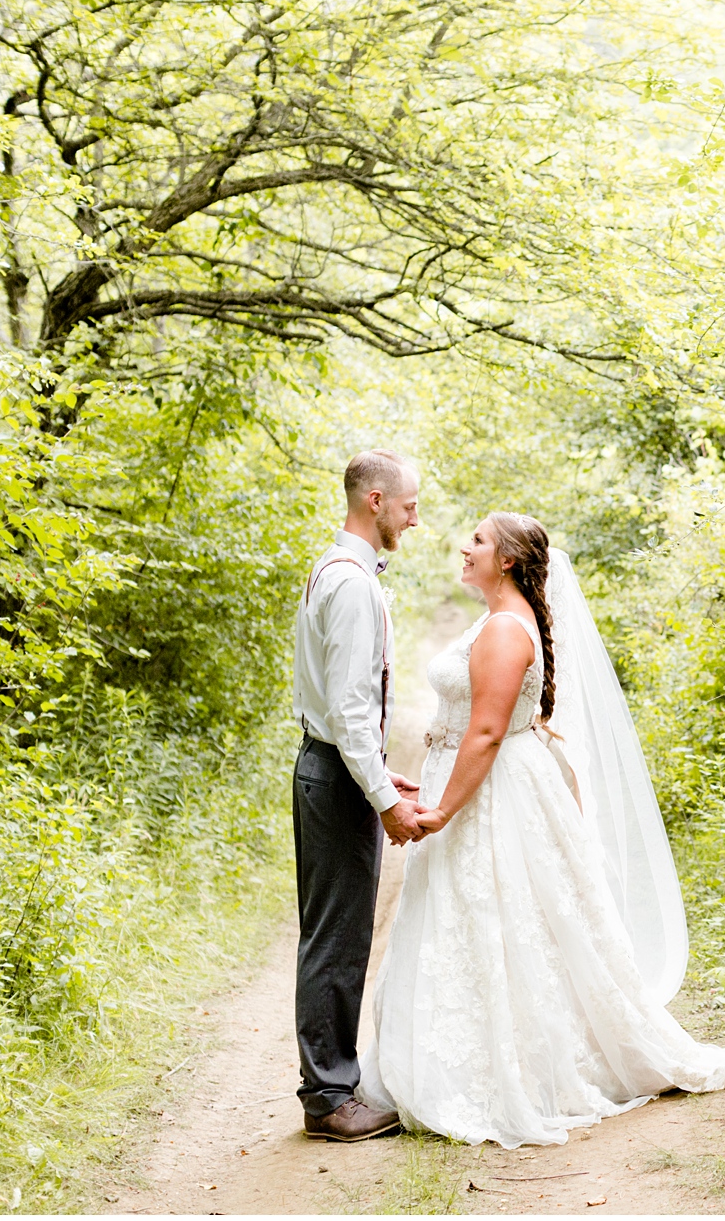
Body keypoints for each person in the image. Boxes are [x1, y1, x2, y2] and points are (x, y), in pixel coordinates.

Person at [357, 512, 725, 1146]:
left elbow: (490, 732)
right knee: (488, 918)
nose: (464, 549)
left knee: (502, 914)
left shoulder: (503, 629)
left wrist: (441, 812)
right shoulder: (498, 620)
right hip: (486, 786)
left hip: (490, 798)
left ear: (506, 561)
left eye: (478, 541)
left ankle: (518, 1066)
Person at [290, 449, 422, 1142]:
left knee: (336, 932)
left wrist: (375, 774)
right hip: (334, 776)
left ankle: (329, 1088)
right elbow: (346, 705)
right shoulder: (350, 584)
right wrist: (383, 797)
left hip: (331, 766)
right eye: (408, 505)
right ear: (375, 501)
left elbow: (341, 709)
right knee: (337, 938)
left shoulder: (338, 571)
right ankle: (329, 1099)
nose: (415, 516)